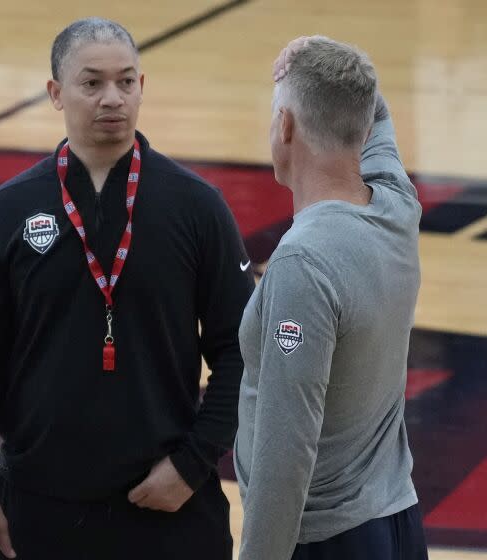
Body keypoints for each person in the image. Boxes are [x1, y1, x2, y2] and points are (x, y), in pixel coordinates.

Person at [0, 17, 253, 560]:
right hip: (40, 509)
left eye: (126, 82)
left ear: (142, 87)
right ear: (55, 94)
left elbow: (241, 351)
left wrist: (193, 463)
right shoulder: (10, 211)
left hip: (170, 507)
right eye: (92, 83)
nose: (112, 98)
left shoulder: (198, 206)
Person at [234, 36, 428, 560]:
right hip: (396, 521)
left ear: (286, 127)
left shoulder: (303, 265)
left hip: (325, 541)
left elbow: (286, 451)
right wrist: (324, 55)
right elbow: (370, 111)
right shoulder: (396, 205)